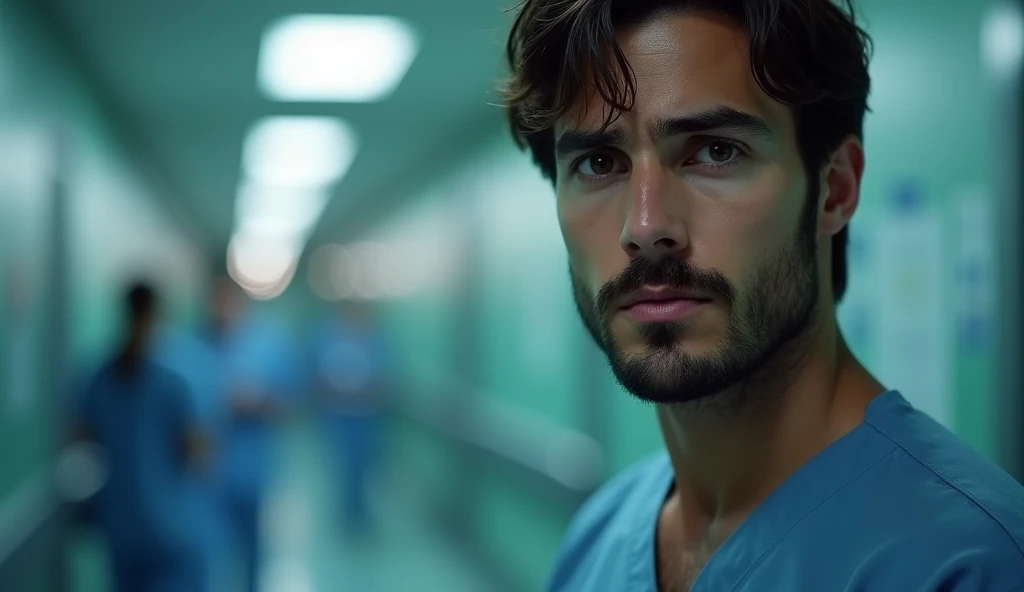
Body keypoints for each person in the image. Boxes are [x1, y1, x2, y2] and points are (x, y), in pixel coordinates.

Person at [499, 1, 1024, 591]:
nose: (644, 226)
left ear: (835, 190)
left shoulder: (970, 565)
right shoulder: (596, 539)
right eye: (600, 162)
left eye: (716, 151)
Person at [73, 282, 208, 592]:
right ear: (156, 318)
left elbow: (82, 447)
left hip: (120, 526)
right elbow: (197, 454)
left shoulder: (98, 379)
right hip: (168, 529)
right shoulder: (173, 383)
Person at [206, 275, 292, 592]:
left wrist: (256, 402)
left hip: (254, 467)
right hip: (210, 472)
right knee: (212, 553)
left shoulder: (268, 345)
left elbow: (288, 405)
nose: (222, 311)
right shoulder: (199, 347)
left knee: (253, 551)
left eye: (229, 303)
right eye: (217, 303)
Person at [311, 300, 391, 534]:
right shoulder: (327, 341)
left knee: (364, 468)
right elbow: (317, 379)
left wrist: (357, 390)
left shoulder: (375, 343)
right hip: (338, 419)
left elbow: (384, 381)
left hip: (366, 419)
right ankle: (347, 514)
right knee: (342, 467)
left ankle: (360, 513)